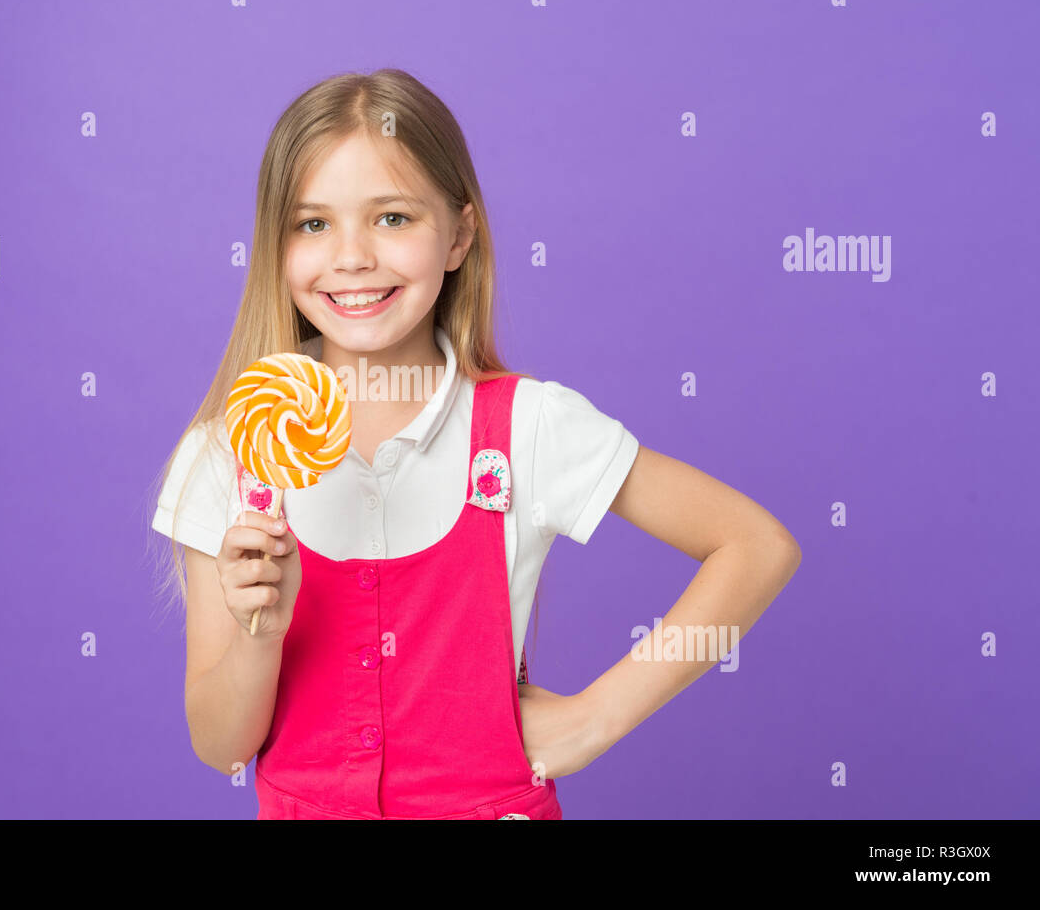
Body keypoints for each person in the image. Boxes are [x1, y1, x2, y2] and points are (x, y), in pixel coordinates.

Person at [149, 68, 801, 820]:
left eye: (392, 218)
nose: (352, 256)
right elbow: (223, 745)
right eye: (313, 223)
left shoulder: (527, 428)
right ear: (276, 245)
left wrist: (595, 718)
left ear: (458, 235)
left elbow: (755, 543)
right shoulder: (230, 456)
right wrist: (261, 631)